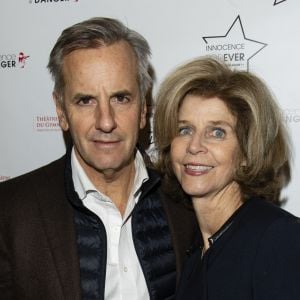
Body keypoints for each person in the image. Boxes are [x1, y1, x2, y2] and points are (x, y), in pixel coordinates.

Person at [0, 17, 198, 300]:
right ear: (60, 110)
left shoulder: (185, 201)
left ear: (143, 107)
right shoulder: (10, 212)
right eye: (85, 100)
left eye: (121, 98)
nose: (105, 122)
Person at [153, 57, 300, 299]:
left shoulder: (279, 238)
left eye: (217, 132)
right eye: (185, 130)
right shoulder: (193, 248)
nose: (194, 146)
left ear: (246, 151)